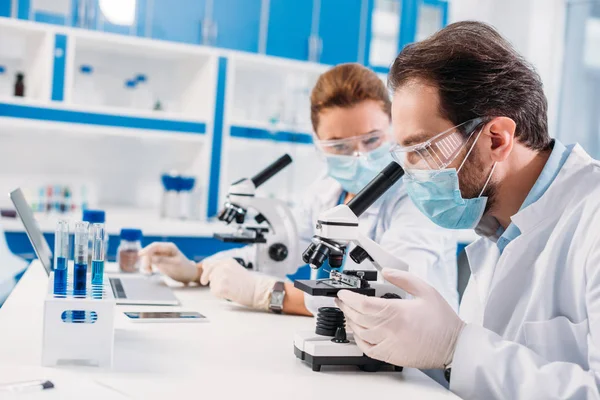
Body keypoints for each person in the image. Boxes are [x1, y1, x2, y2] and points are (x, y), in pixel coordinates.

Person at [334, 21, 600, 399]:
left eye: (424, 149)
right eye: (404, 155)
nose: (411, 174)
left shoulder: (591, 220)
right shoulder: (497, 229)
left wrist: (455, 349)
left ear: (497, 138)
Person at [140, 63, 458, 316]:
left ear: (392, 129)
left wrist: (273, 294)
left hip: (414, 372)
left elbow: (389, 300)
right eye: (340, 146)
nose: (359, 155)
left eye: (372, 139)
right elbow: (280, 250)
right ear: (319, 146)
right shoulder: (325, 191)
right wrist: (196, 270)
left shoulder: (418, 197)